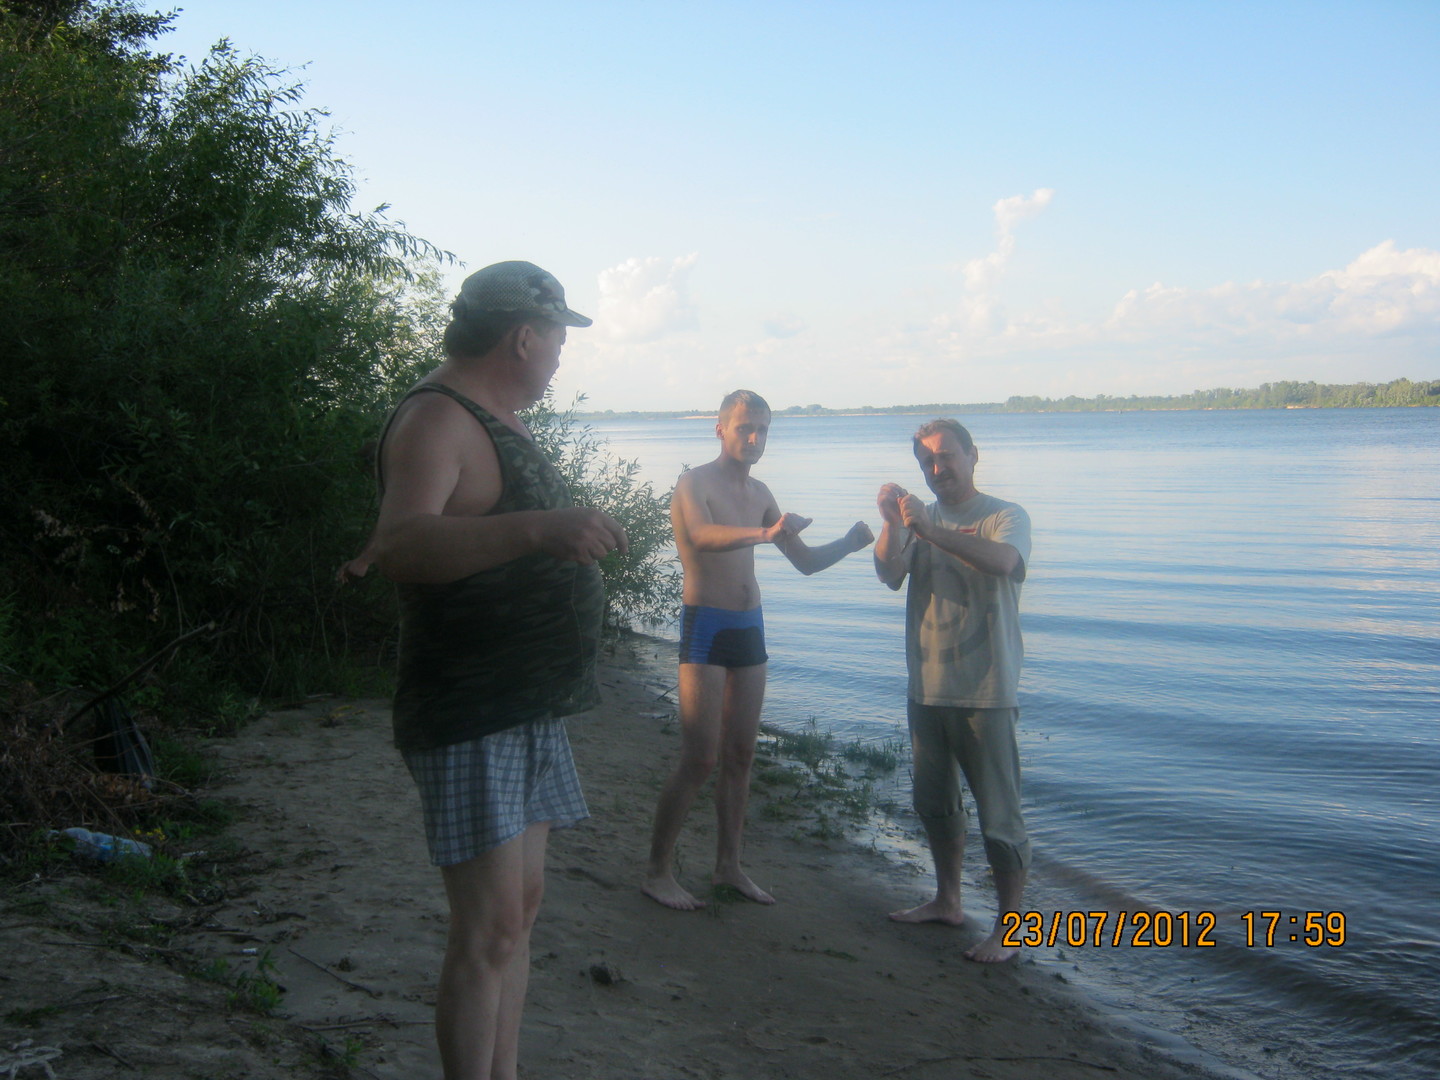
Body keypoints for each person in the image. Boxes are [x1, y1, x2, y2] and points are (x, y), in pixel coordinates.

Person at [366, 260, 627, 1080]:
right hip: (471, 707)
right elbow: (400, 544)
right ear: (523, 337)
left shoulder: (493, 418)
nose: (559, 355)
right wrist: (539, 529)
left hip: (526, 704)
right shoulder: (437, 418)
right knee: (487, 932)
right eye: (557, 339)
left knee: (519, 914)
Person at [643, 389, 874, 910]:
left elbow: (805, 562)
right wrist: (766, 532)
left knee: (741, 755)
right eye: (745, 427)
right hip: (707, 625)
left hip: (750, 627)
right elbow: (702, 535)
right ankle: (657, 871)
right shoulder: (694, 483)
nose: (754, 437)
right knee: (700, 758)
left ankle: (729, 867)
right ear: (720, 428)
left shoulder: (762, 491)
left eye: (763, 429)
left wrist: (849, 543)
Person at [873, 418, 1032, 963]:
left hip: (987, 689)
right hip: (927, 687)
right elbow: (888, 574)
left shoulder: (1005, 516)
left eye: (946, 457)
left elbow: (1004, 562)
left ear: (972, 454)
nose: (937, 469)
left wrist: (927, 529)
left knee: (1000, 818)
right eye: (927, 462)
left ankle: (1011, 930)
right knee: (935, 805)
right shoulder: (918, 519)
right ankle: (948, 901)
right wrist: (892, 524)